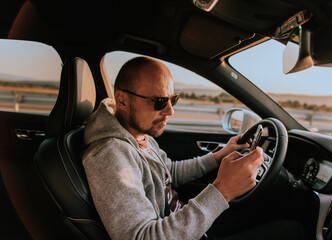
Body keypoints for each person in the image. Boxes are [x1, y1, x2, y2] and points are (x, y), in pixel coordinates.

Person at [82, 56, 305, 240]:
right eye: (160, 102)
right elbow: (142, 236)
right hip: (182, 231)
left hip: (186, 223)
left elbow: (169, 171)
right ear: (121, 100)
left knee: (265, 210)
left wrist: (218, 156)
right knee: (293, 231)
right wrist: (223, 189)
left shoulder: (138, 134)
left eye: (173, 99)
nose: (170, 111)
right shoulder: (110, 155)